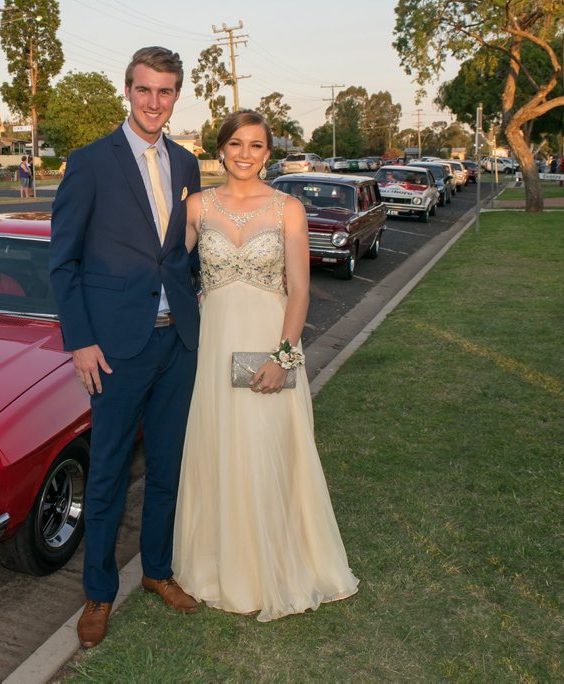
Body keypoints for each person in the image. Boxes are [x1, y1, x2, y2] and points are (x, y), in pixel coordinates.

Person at [173, 110, 359, 622]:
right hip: (213, 346)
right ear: (221, 149)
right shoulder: (196, 208)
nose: (245, 154)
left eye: (256, 146)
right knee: (220, 446)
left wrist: (282, 357)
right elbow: (166, 270)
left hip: (269, 340)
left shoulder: (287, 209)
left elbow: (300, 290)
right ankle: (220, 566)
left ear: (268, 153)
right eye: (236, 144)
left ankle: (275, 566)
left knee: (268, 448)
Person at [49, 46, 203, 649]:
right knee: (109, 473)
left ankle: (158, 571)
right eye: (145, 90)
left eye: (166, 92)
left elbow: (182, 254)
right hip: (115, 349)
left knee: (167, 468)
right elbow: (63, 263)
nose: (154, 102)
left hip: (177, 343)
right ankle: (99, 592)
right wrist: (81, 341)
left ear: (175, 96)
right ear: (128, 90)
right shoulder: (89, 163)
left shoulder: (188, 164)